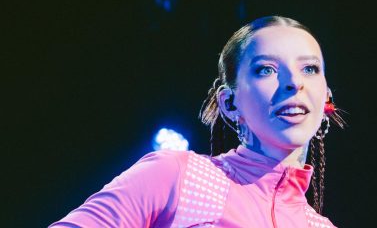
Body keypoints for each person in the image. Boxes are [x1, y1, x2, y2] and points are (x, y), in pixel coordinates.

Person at [49, 16, 344, 228]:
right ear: (230, 103)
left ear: (326, 98)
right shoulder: (179, 178)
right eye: (266, 69)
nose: (294, 82)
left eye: (309, 68)